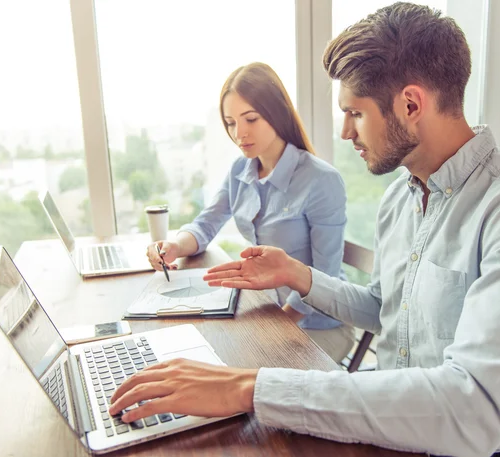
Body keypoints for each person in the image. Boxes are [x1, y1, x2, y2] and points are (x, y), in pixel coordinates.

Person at [111, 4, 500, 456]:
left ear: (411, 103)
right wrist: (298, 274)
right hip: (388, 431)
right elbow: (385, 308)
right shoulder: (401, 197)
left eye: (354, 112)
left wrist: (249, 387)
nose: (344, 133)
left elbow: (472, 409)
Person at [145, 62, 355, 363]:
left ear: (276, 112)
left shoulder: (321, 180)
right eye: (231, 123)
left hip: (319, 324)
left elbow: (325, 276)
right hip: (270, 312)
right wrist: (175, 246)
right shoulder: (240, 170)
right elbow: (206, 224)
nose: (239, 133)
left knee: (240, 380)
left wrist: (273, 326)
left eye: (251, 119)